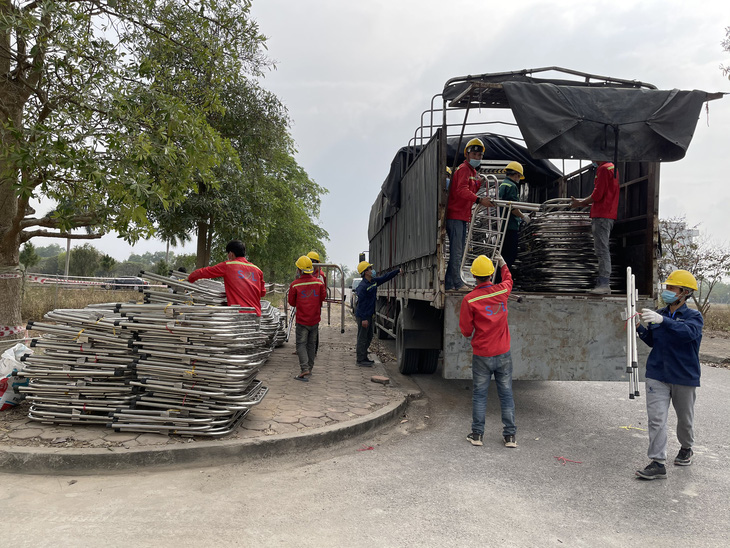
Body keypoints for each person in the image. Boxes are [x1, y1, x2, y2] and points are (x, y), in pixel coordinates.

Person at [634, 269, 703, 480]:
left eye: (672, 288)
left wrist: (663, 322)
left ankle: (686, 448)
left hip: (684, 376)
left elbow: (688, 334)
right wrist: (638, 328)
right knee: (656, 420)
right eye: (667, 287)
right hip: (657, 374)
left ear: (684, 292)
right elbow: (654, 341)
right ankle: (657, 462)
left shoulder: (694, 317)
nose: (667, 291)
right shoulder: (660, 314)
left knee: (685, 419)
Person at [459, 254, 517, 448]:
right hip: (503, 353)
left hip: (482, 355)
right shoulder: (501, 291)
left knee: (480, 395)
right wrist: (503, 264)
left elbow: (466, 331)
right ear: (491, 275)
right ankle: (510, 437)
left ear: (473, 276)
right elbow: (509, 280)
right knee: (506, 394)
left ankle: (477, 435)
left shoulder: (469, 300)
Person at [445, 138, 494, 291]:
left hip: (462, 216)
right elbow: (461, 190)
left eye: (479, 155)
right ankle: (458, 284)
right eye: (474, 154)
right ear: (467, 154)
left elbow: (469, 190)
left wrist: (478, 183)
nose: (477, 157)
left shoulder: (472, 172)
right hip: (455, 215)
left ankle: (449, 284)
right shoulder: (464, 169)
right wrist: (479, 200)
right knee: (457, 252)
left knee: (458, 251)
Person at [570, 161, 619, 294]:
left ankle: (604, 284)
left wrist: (580, 203)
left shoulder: (603, 169)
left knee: (601, 249)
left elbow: (597, 194)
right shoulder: (612, 168)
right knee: (602, 249)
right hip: (607, 214)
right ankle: (602, 283)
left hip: (602, 215)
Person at [187, 240, 266, 315]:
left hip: (238, 314)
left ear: (231, 253)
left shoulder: (228, 265)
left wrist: (190, 278)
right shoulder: (257, 270)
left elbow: (206, 272)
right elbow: (262, 293)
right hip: (256, 315)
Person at [287, 256, 326, 382]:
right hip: (314, 320)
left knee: (301, 345)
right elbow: (322, 298)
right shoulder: (319, 283)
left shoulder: (295, 285)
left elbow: (292, 303)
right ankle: (310, 367)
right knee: (311, 344)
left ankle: (304, 369)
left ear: (299, 270)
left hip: (302, 321)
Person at [354, 260, 400, 366]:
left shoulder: (373, 282)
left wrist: (397, 271)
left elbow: (385, 277)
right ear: (366, 272)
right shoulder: (362, 286)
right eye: (370, 269)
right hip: (363, 316)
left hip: (369, 315)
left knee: (369, 336)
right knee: (362, 337)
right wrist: (364, 318)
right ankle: (360, 359)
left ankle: (364, 356)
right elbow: (361, 304)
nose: (372, 270)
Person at [497, 161, 531, 283]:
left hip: (502, 225)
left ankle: (497, 280)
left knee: (502, 255)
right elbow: (513, 207)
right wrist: (523, 217)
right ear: (516, 174)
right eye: (519, 176)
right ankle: (503, 282)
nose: (519, 179)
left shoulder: (503, 185)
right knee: (509, 255)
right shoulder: (512, 186)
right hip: (510, 225)